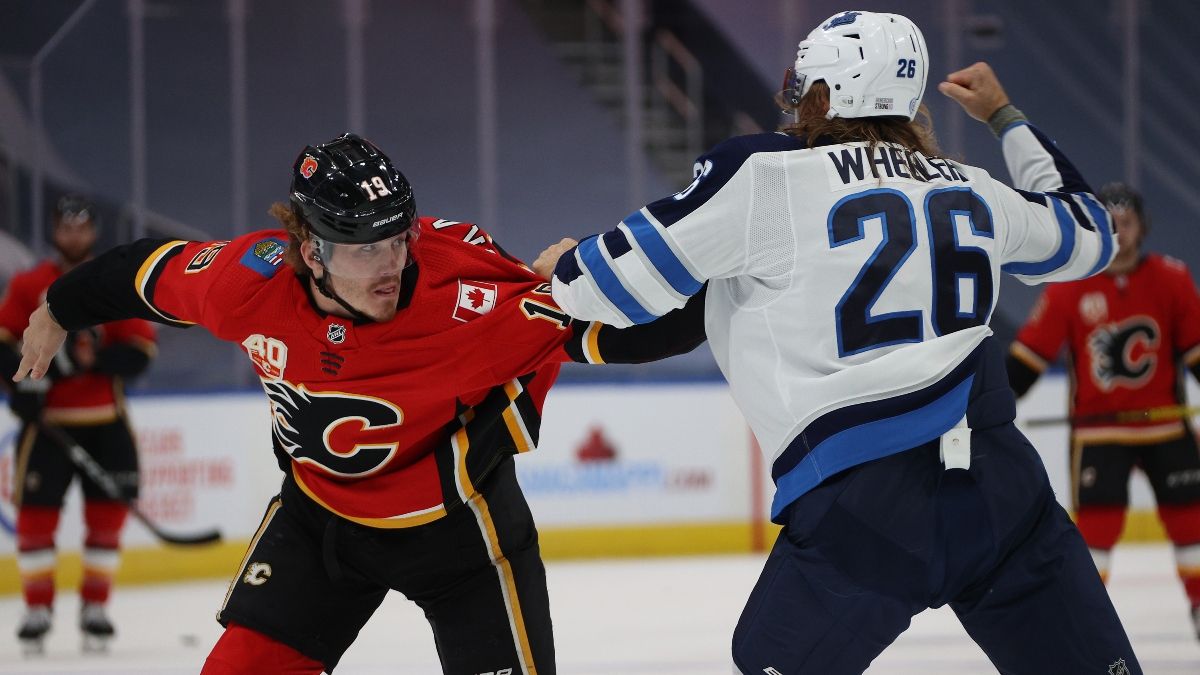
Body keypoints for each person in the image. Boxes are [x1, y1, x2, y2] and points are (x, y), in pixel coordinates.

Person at [532, 10, 1142, 674]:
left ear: (831, 93)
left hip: (865, 509)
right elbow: (1093, 232)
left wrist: (567, 268)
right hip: (1002, 492)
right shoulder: (974, 188)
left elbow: (610, 287)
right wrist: (1006, 117)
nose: (788, 99)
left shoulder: (766, 174)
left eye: (805, 85)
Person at [11, 133, 704, 674]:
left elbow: (630, 332)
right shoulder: (244, 282)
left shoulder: (466, 301)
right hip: (320, 527)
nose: (393, 261)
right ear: (308, 251)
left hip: (463, 538)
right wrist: (57, 307)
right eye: (366, 247)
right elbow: (139, 273)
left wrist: (632, 279)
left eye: (399, 236)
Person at [1007, 181, 1200, 638]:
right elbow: (1027, 360)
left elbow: (1195, 351)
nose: (1120, 232)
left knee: (1192, 522)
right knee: (1095, 536)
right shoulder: (1070, 288)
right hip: (1100, 435)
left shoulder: (1173, 279)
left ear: (1142, 227)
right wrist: (988, 406)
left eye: (1126, 223)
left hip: (1166, 427)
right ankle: (1085, 624)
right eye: (1110, 224)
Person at [0, 195, 157, 653]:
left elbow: (139, 353)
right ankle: (37, 608)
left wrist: (83, 362)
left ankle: (95, 607)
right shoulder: (31, 284)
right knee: (35, 522)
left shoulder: (111, 284)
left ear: (93, 232)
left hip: (106, 424)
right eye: (65, 228)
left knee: (106, 523)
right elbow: (4, 344)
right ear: (54, 231)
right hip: (48, 427)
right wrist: (22, 389)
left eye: (81, 228)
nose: (74, 236)